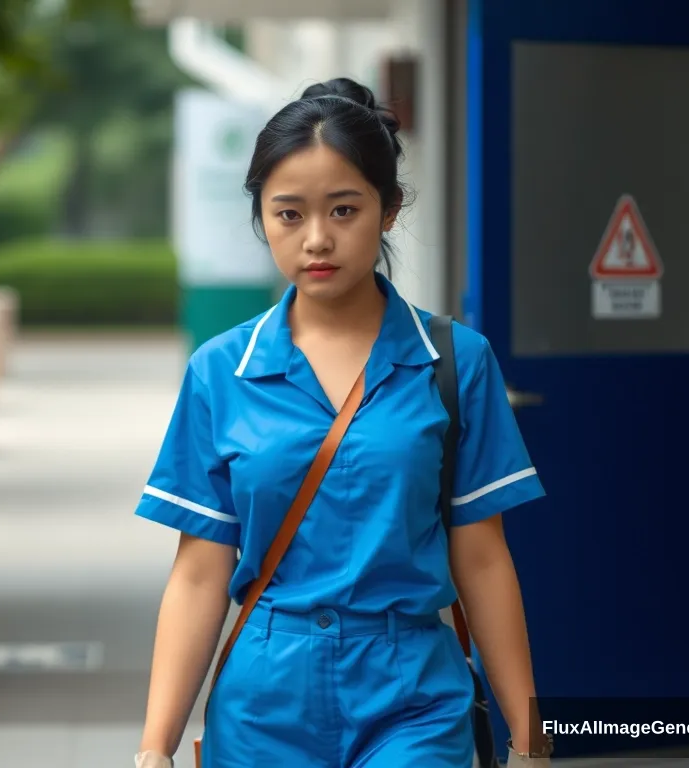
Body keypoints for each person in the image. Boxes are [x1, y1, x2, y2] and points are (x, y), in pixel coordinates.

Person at [131, 78, 550, 768]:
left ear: (389, 211)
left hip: (412, 695)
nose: (317, 239)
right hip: (265, 705)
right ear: (262, 218)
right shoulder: (220, 372)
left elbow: (482, 558)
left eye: (344, 210)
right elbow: (201, 573)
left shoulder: (453, 362)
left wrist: (528, 736)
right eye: (289, 214)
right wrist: (156, 747)